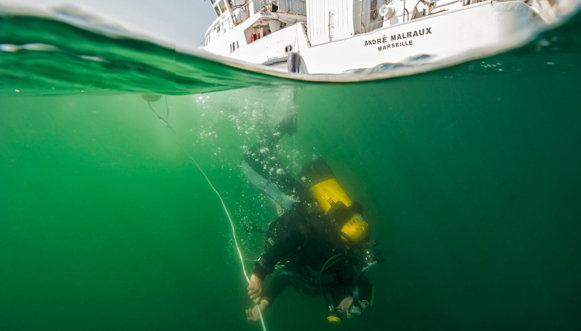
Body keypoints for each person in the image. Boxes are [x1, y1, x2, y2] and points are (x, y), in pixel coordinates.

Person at [240, 112, 383, 323]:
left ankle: (278, 124)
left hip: (299, 208)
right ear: (356, 294)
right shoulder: (336, 265)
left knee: (264, 159)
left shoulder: (325, 283)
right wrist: (260, 271)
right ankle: (277, 121)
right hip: (296, 205)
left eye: (348, 315)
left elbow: (286, 277)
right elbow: (298, 236)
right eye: (355, 309)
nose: (347, 311)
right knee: (248, 163)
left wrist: (263, 304)